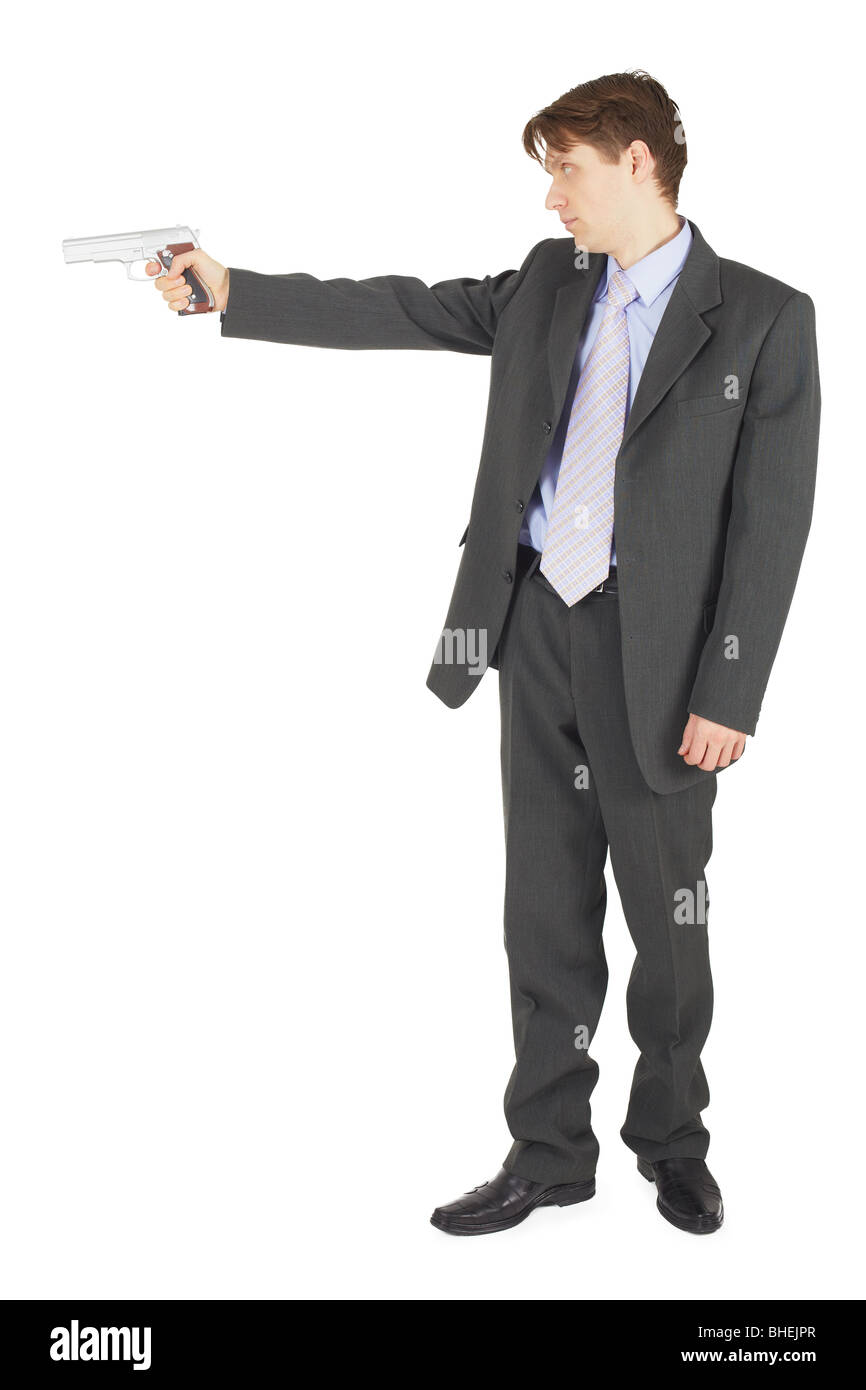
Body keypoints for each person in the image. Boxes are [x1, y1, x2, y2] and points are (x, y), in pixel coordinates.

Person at [147, 70, 821, 1237]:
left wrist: (730, 690)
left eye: (564, 167)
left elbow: (772, 524)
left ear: (637, 163)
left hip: (662, 666)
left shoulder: (763, 315)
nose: (551, 196)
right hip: (530, 632)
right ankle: (547, 1152)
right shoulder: (547, 286)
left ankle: (671, 1141)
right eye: (545, 172)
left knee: (666, 925)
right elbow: (402, 308)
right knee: (542, 912)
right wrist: (229, 290)